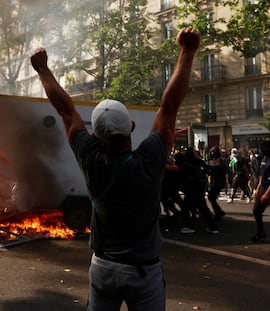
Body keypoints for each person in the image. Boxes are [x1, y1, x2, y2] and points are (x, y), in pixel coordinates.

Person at [30, 27, 200, 311]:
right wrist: (188, 52)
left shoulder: (89, 158)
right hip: (144, 272)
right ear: (131, 127)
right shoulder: (150, 158)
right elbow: (169, 108)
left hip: (104, 268)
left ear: (95, 135)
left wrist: (43, 70)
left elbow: (65, 109)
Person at [251, 141, 270, 242]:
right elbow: (262, 175)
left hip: (268, 188)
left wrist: (266, 194)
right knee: (256, 210)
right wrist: (258, 189)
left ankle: (260, 232)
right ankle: (260, 232)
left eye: (263, 148)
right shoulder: (264, 159)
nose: (261, 150)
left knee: (257, 210)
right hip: (263, 187)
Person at [207, 146, 227, 220]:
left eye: (213, 152)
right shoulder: (212, 161)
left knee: (211, 197)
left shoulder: (221, 161)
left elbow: (218, 170)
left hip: (218, 182)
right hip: (213, 182)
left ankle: (218, 213)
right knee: (211, 198)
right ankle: (219, 212)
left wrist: (210, 168)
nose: (212, 154)